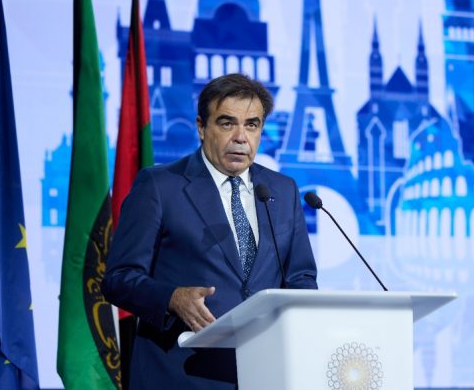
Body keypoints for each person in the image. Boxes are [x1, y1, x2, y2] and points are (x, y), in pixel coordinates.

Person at [103, 74, 318, 389]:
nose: (240, 137)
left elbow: (301, 278)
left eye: (252, 125)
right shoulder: (160, 186)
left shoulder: (282, 190)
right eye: (227, 123)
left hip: (264, 373)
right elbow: (118, 279)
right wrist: (172, 298)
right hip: (182, 375)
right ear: (201, 127)